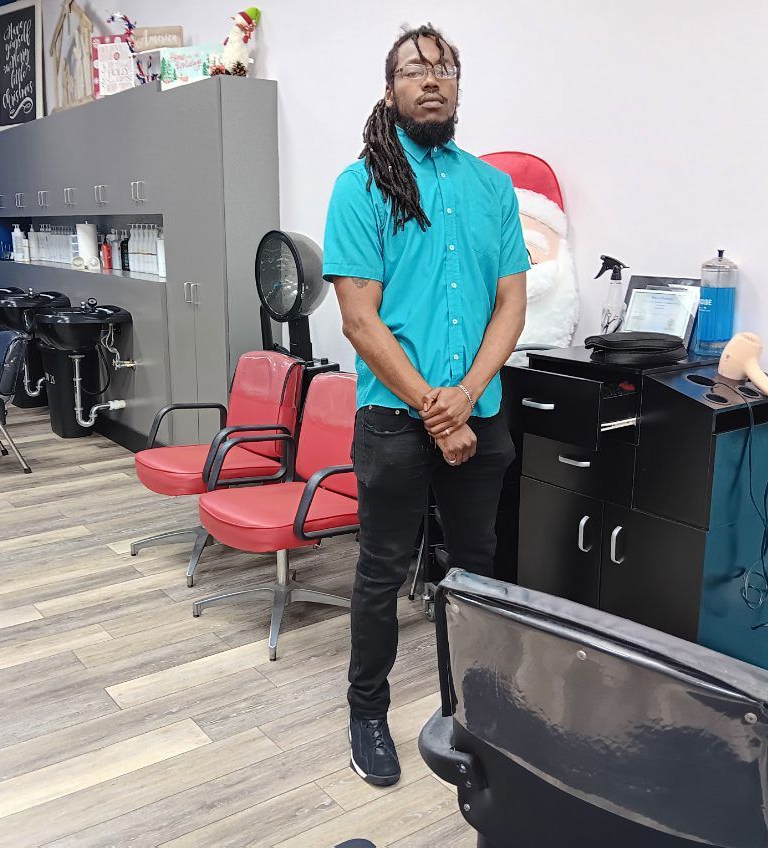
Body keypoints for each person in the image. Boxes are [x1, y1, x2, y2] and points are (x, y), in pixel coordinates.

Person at [322, 23, 529, 787]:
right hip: (392, 421)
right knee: (380, 572)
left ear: (457, 86)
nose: (431, 79)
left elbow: (510, 304)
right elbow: (359, 319)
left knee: (475, 571)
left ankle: (474, 711)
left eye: (443, 69)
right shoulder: (360, 186)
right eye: (414, 70)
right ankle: (366, 713)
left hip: (480, 414)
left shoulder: (491, 188)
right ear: (391, 91)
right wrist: (433, 410)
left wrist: (465, 397)